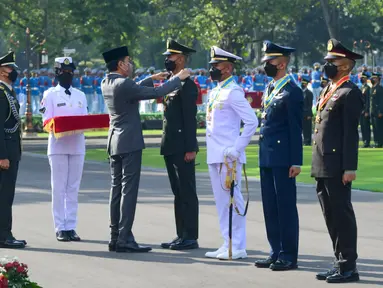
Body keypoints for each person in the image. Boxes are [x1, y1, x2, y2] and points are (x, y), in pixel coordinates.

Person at [101, 45, 191, 253]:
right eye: (129, 61)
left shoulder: (107, 82)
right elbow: (157, 92)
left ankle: (115, 236)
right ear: (121, 64)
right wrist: (180, 78)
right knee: (128, 191)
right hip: (129, 142)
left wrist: (152, 77)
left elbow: (131, 88)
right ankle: (124, 238)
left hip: (114, 141)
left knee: (116, 190)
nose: (131, 64)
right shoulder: (124, 84)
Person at [311, 39, 364, 283]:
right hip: (322, 162)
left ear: (345, 66)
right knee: (330, 214)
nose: (327, 65)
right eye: (327, 61)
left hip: (338, 164)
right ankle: (339, 261)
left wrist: (350, 167)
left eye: (332, 62)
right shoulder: (327, 89)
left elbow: (350, 134)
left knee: (342, 214)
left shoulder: (350, 92)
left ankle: (349, 266)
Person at [205, 46, 258, 260]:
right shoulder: (217, 90)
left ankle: (237, 245)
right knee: (221, 202)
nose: (212, 70)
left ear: (227, 68)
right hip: (215, 153)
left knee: (233, 200)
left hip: (228, 156)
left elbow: (252, 121)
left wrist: (237, 148)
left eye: (216, 66)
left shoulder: (233, 92)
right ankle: (226, 242)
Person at [255, 41, 303, 271]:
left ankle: (288, 254)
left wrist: (296, 160)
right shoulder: (271, 88)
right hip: (267, 155)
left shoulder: (292, 91)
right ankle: (275, 250)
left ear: (282, 64)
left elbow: (295, 128)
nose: (267, 65)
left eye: (270, 62)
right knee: (270, 206)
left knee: (285, 206)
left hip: (283, 157)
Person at [40, 57, 87, 242]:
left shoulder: (80, 95)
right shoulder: (50, 94)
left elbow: (85, 120)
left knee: (73, 188)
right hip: (58, 145)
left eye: (70, 71)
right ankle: (60, 227)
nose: (67, 74)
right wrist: (59, 125)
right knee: (59, 188)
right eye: (63, 71)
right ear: (57, 73)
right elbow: (45, 122)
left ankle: (71, 227)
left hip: (77, 145)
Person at [159, 40, 200, 250]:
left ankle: (190, 235)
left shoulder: (187, 85)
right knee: (178, 192)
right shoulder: (172, 82)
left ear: (181, 59)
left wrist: (191, 148)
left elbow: (189, 119)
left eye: (171, 57)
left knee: (187, 191)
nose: (167, 60)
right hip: (171, 144)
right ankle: (180, 233)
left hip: (183, 146)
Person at [0, 51, 26, 249]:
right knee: (4, 195)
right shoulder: (1, 94)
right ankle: (4, 235)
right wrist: (2, 155)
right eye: (10, 68)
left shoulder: (8, 91)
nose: (13, 72)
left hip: (11, 149)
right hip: (6, 152)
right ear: (1, 71)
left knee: (6, 195)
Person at [370, 72, 383, 148]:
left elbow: (381, 101)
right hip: (373, 111)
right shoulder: (372, 88)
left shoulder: (380, 88)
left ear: (378, 79)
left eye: (374, 78)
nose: (372, 79)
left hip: (378, 112)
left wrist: (381, 111)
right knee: (374, 128)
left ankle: (380, 142)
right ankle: (376, 141)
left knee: (379, 128)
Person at [359, 72, 371, 147]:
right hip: (361, 111)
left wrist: (366, 110)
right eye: (361, 77)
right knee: (362, 127)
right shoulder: (361, 87)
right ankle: (364, 141)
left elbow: (368, 100)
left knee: (366, 127)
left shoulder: (368, 88)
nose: (362, 79)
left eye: (363, 77)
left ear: (366, 79)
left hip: (365, 111)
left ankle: (367, 141)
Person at [302, 75, 314, 145]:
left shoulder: (309, 93)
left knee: (307, 128)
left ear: (306, 84)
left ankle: (308, 140)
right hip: (302, 113)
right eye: (302, 83)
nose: (302, 84)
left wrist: (309, 114)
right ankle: (304, 140)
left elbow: (310, 105)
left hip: (307, 113)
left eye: (304, 83)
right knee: (303, 128)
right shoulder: (300, 92)